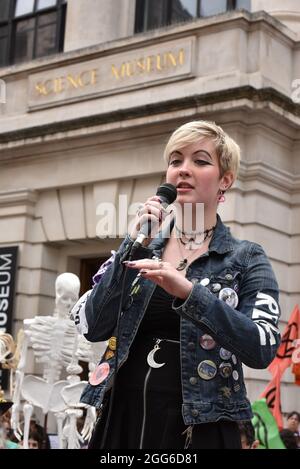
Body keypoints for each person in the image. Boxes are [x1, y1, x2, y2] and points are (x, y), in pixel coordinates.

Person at [76, 120, 281, 449]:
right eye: (175, 160)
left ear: (225, 180)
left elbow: (262, 348)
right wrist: (133, 244)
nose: (183, 170)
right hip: (122, 422)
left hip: (199, 429)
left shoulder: (246, 259)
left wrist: (189, 293)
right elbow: (94, 326)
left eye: (200, 161)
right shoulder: (140, 249)